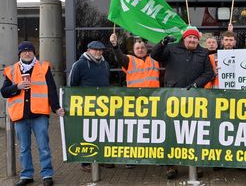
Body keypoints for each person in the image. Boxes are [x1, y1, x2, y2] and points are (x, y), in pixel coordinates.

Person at [151, 25, 214, 179]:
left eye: (195, 38)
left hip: (194, 98)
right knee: (171, 131)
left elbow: (209, 73)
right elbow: (155, 55)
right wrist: (163, 42)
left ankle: (195, 163)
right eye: (189, 37)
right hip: (172, 97)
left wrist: (196, 84)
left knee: (193, 131)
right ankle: (170, 166)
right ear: (184, 38)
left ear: (198, 40)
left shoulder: (203, 52)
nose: (192, 40)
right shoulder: (171, 49)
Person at [1, 41, 65, 186]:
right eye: (24, 51)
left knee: (43, 146)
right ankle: (26, 175)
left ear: (34, 53)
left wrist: (56, 107)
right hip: (20, 116)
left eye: (30, 50)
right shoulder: (12, 70)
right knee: (24, 148)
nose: (27, 53)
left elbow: (51, 90)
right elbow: (4, 92)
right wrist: (17, 86)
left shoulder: (43, 67)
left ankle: (47, 175)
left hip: (39, 115)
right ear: (20, 54)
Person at [110, 34, 160, 169]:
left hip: (154, 101)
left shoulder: (154, 60)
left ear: (146, 48)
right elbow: (120, 57)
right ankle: (131, 158)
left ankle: (155, 155)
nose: (140, 49)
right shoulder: (129, 60)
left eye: (142, 47)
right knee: (134, 130)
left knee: (154, 129)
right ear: (133, 50)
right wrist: (115, 46)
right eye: (137, 48)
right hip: (135, 102)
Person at [68, 40, 113, 172]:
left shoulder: (105, 64)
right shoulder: (79, 64)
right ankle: (85, 162)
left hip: (103, 106)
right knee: (87, 134)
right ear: (88, 50)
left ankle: (102, 159)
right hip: (86, 106)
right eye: (95, 50)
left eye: (100, 50)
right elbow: (72, 85)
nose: (98, 52)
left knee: (103, 132)